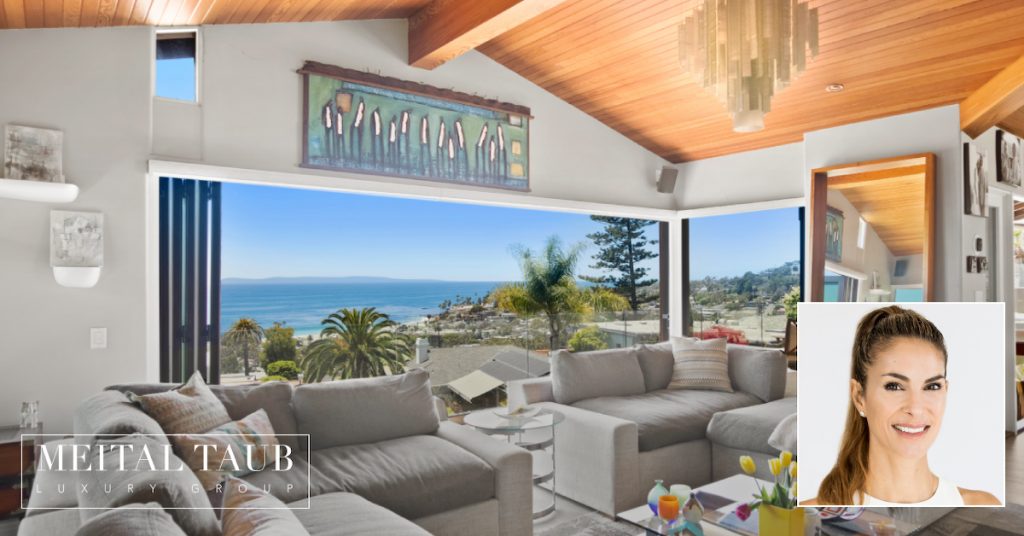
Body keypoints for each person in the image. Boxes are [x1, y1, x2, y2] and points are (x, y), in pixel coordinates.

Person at [802, 305, 999, 506]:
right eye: (894, 386)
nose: (916, 408)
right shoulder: (808, 517)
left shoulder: (983, 507)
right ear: (859, 396)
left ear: (945, 391)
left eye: (932, 386)